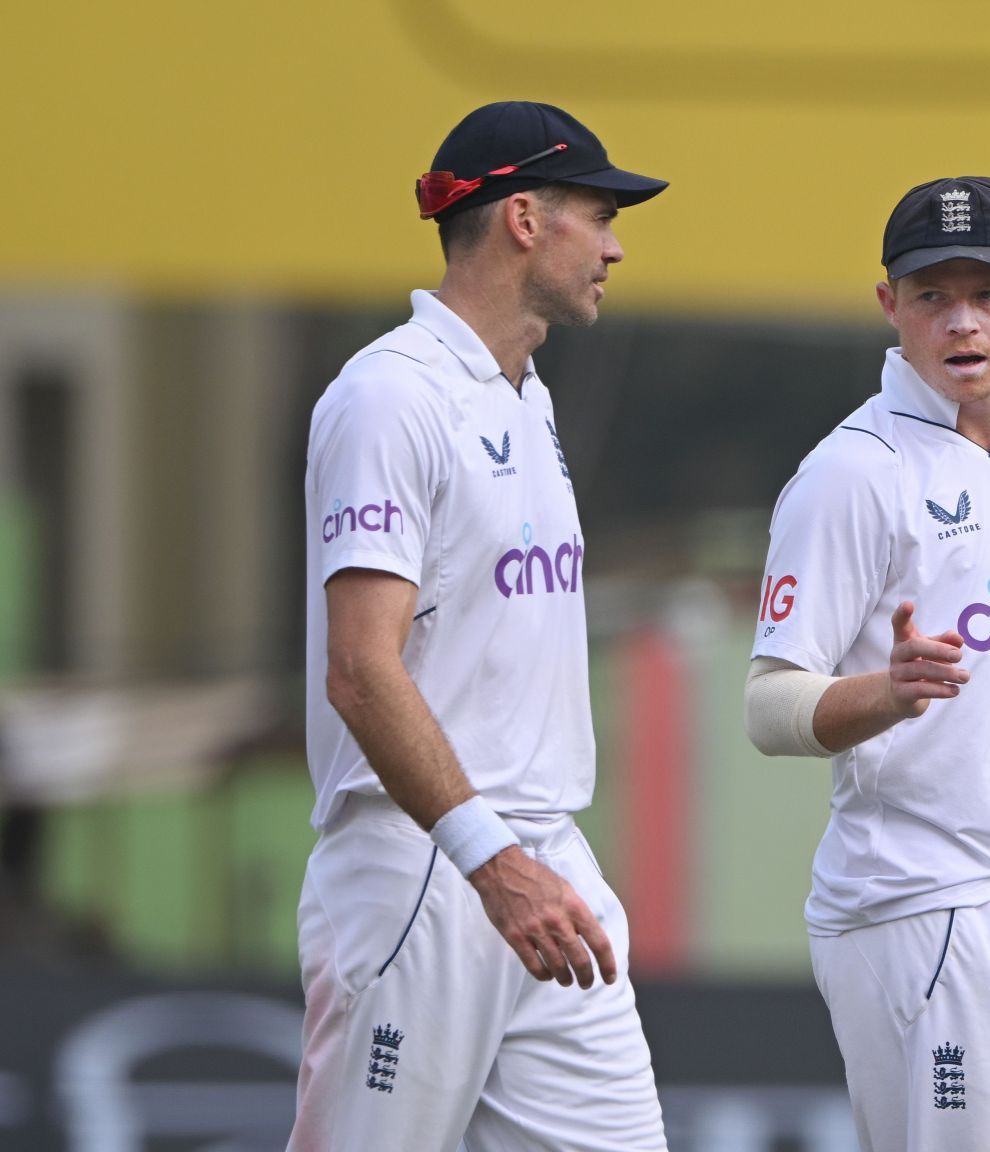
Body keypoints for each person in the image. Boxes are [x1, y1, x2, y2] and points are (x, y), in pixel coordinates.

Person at [291, 101, 670, 1150]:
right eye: (598, 215)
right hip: (425, 870)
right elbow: (361, 670)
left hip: (547, 866)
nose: (615, 244)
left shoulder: (524, 395)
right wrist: (490, 863)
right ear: (521, 219)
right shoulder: (387, 398)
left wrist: (525, 863)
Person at [743, 176, 990, 1152]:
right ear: (890, 307)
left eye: (987, 294)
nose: (962, 321)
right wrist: (887, 691)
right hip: (918, 905)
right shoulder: (851, 474)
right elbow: (769, 703)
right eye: (931, 296)